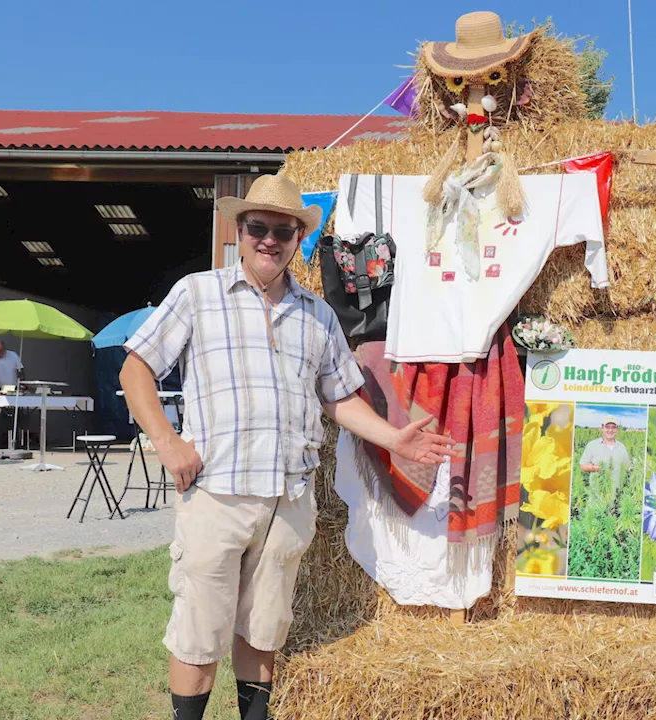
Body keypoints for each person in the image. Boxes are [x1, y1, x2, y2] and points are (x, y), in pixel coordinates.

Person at [120, 174, 456, 720]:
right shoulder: (197, 293)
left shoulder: (317, 314)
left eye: (283, 230)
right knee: (198, 634)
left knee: (264, 631)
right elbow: (137, 368)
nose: (270, 240)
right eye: (259, 228)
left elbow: (339, 398)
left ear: (299, 237)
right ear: (239, 230)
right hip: (217, 494)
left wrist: (395, 439)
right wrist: (167, 442)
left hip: (287, 500)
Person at [579, 415, 632, 494]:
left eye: (614, 427)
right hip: (597, 494)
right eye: (607, 427)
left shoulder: (621, 447)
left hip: (617, 493)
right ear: (602, 427)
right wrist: (597, 468)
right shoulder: (592, 445)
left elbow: (627, 464)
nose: (610, 430)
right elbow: (583, 465)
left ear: (617, 429)